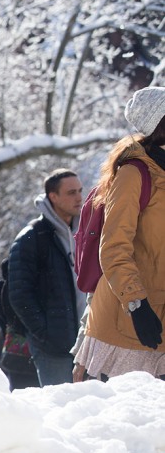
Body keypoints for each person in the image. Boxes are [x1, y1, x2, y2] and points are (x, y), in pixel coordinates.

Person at [74, 86, 165, 381]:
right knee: (123, 421)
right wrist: (137, 305)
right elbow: (113, 248)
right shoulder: (134, 174)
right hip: (129, 319)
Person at [7, 168, 86, 386]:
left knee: (92, 409)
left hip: (89, 343)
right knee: (61, 409)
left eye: (80, 190)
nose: (79, 197)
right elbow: (19, 295)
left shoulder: (88, 232)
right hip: (54, 347)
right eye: (71, 192)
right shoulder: (31, 238)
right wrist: (45, 334)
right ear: (53, 196)